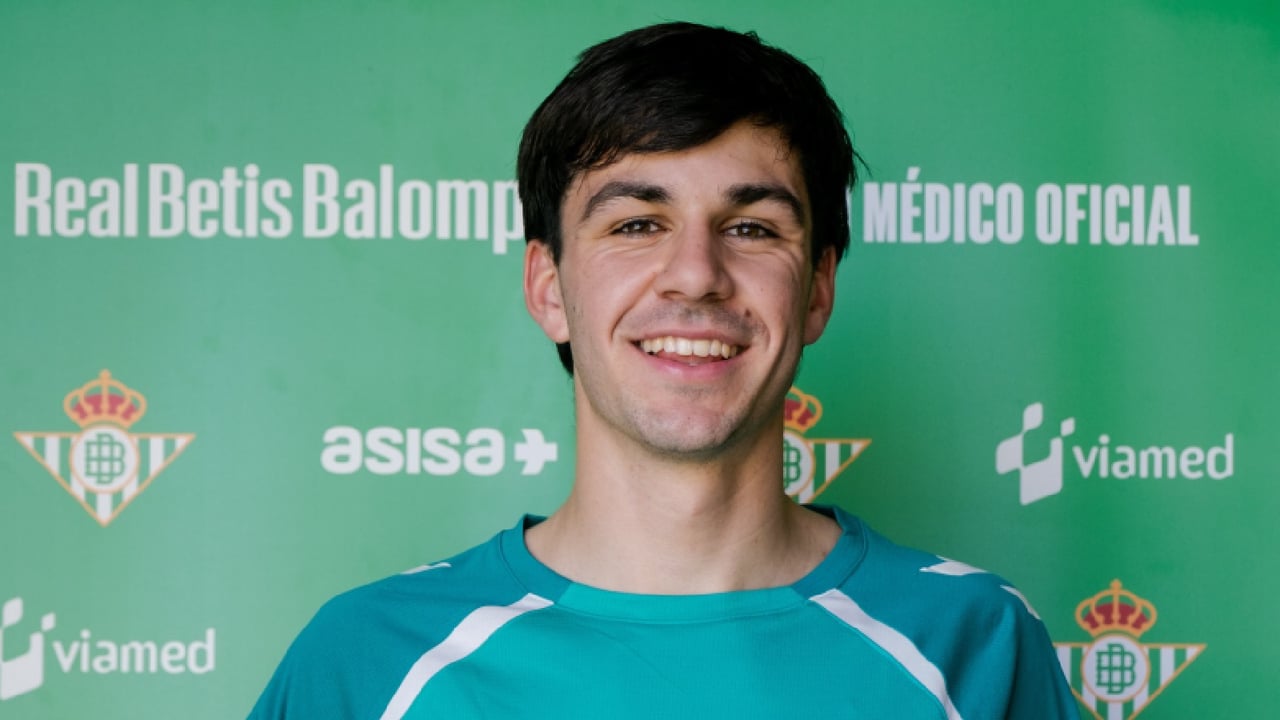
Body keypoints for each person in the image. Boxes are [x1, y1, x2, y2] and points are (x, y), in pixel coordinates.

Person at [250, 22, 1079, 719]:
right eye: (638, 224)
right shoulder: (366, 662)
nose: (695, 275)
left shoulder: (975, 645)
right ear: (549, 288)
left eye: (752, 228)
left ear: (819, 289)